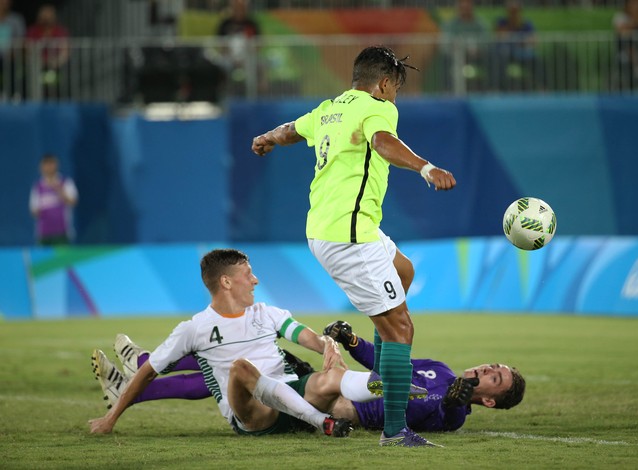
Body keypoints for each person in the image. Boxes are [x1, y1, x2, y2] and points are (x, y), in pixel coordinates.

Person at [251, 45, 456, 447]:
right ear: (383, 84)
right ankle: (395, 431)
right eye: (395, 88)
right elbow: (382, 142)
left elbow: (293, 129)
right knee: (401, 329)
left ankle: (383, 373)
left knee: (404, 271)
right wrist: (426, 167)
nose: (395, 96)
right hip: (349, 237)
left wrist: (267, 138)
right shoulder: (379, 108)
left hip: (340, 228)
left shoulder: (330, 109)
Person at [88, 248, 395, 438]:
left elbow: (303, 334)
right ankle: (321, 422)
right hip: (254, 414)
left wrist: (326, 342)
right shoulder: (194, 328)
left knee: (332, 377)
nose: (256, 280)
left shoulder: (267, 313)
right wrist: (110, 419)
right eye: (248, 274)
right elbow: (148, 373)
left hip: (292, 392)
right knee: (241, 369)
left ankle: (392, 387)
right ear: (226, 282)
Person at [92, 320, 526, 433]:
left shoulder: (456, 417)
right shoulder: (444, 369)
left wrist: (453, 399)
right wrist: (353, 341)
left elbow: (430, 412)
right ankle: (139, 371)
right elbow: (386, 365)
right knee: (251, 359)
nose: (488, 370)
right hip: (342, 381)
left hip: (343, 405)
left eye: (495, 379)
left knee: (238, 366)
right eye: (493, 366)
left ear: (488, 401)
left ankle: (142, 369)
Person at [490, 0, 540, 91]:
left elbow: (534, 41)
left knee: (535, 58)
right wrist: (519, 39)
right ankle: (499, 88)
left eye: (515, 10)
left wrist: (515, 39)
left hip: (521, 52)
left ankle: (542, 88)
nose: (513, 12)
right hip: (504, 53)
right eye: (511, 10)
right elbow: (498, 36)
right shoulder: (501, 22)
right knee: (499, 58)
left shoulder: (526, 23)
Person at [29, 154, 78, 245]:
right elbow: (33, 211)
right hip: (44, 234)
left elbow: (73, 201)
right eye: (46, 164)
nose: (49, 167)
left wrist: (59, 191)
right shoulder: (38, 186)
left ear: (56, 165)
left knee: (63, 259)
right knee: (44, 259)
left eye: (51, 164)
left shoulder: (65, 182)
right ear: (41, 167)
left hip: (62, 233)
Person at [441, 0, 489, 92]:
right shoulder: (451, 24)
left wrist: (478, 48)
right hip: (455, 55)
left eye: (467, 8)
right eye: (462, 8)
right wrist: (454, 48)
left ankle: (490, 89)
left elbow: (486, 40)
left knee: (491, 57)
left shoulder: (480, 24)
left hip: (477, 56)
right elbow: (445, 43)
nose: (465, 10)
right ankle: (447, 90)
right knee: (445, 60)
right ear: (458, 9)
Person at [25, 3, 69, 99]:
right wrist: (40, 61)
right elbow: (28, 50)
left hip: (56, 67)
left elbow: (65, 52)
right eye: (44, 16)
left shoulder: (60, 32)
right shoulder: (33, 31)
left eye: (49, 17)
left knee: (57, 85)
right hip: (36, 67)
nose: (46, 19)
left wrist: (55, 62)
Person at [0, 0, 25, 99]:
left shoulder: (16, 20)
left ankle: (12, 94)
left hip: (11, 56)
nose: (3, 5)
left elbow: (21, 39)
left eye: (5, 2)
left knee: (13, 66)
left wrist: (14, 52)